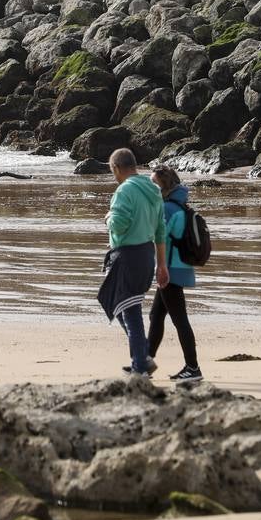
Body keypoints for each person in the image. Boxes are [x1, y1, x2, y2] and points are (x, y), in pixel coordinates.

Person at [98, 147, 168, 376]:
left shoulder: (124, 190)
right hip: (146, 255)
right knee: (118, 304)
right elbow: (160, 230)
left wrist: (108, 218)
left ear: (116, 168)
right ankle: (142, 356)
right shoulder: (154, 190)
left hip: (128, 256)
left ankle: (140, 367)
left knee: (130, 312)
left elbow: (119, 224)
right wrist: (162, 265)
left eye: (112, 171)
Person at [148, 166, 202, 383]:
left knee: (180, 320)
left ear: (164, 186)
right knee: (156, 315)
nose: (151, 187)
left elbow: (156, 236)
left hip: (170, 270)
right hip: (175, 268)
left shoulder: (168, 208)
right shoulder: (179, 204)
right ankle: (144, 362)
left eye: (154, 184)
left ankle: (193, 367)